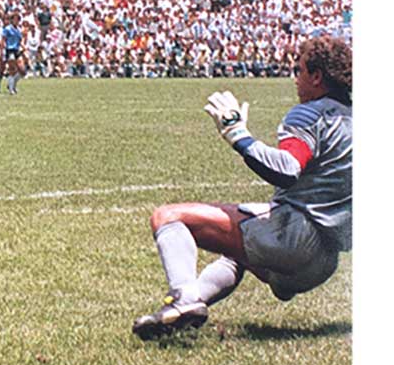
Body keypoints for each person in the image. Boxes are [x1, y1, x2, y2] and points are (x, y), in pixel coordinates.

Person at [132, 35, 352, 340]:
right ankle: (183, 310)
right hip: (324, 264)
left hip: (293, 241)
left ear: (316, 77)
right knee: (237, 252)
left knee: (168, 216)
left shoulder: (309, 114)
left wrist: (237, 134)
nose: (295, 79)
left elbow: (286, 169)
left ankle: (184, 299)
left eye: (298, 71)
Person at [0, 11, 27, 95]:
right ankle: (11, 89)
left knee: (22, 70)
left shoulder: (18, 30)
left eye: (18, 19)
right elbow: (3, 40)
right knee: (12, 69)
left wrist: (23, 46)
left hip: (17, 50)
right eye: (15, 19)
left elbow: (19, 41)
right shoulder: (7, 29)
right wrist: (2, 51)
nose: (17, 21)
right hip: (9, 50)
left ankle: (12, 83)